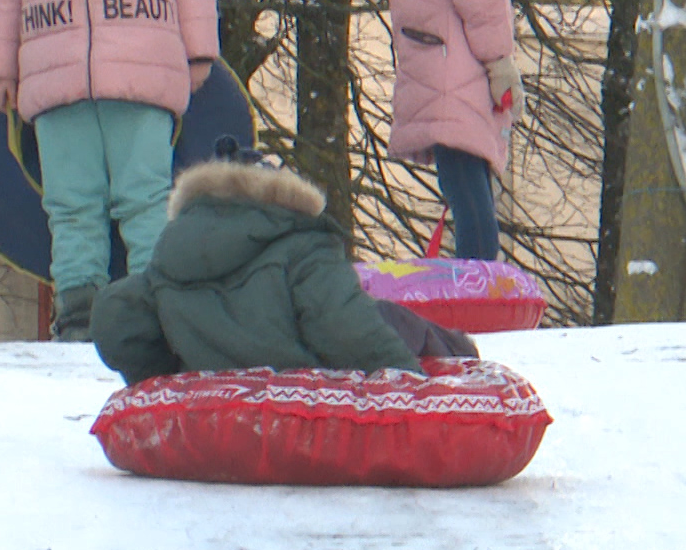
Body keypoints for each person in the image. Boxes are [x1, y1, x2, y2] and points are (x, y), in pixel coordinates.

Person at [0, 0, 219, 342]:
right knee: (73, 206)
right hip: (57, 64)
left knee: (143, 199)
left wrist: (199, 47)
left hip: (137, 59)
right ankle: (80, 319)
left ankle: (156, 315)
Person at [91, 145, 477, 387]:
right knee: (390, 318)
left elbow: (117, 319)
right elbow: (345, 326)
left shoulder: (168, 258)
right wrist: (407, 379)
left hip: (207, 378)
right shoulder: (303, 244)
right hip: (309, 371)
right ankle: (461, 352)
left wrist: (166, 376)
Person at [386, 0, 521, 263]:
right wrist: (499, 59)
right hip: (456, 69)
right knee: (473, 203)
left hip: (450, 67)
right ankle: (477, 304)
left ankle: (475, 304)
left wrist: (498, 60)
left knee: (470, 200)